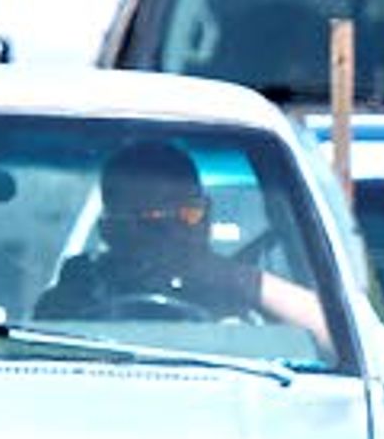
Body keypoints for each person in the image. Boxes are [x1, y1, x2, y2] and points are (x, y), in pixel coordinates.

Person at [38, 139, 331, 347]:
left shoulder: (238, 290)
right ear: (110, 230)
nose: (173, 232)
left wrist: (238, 279)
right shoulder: (82, 291)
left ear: (207, 216)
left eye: (188, 214)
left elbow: (335, 337)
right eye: (150, 219)